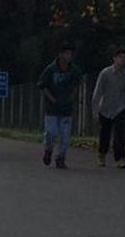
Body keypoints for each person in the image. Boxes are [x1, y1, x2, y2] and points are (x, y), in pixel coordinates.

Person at [38, 41, 82, 169]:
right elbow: (43, 85)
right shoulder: (51, 69)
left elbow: (77, 84)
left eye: (71, 54)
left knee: (65, 136)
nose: (69, 56)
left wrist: (72, 97)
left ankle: (60, 157)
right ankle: (48, 149)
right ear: (60, 54)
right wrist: (51, 98)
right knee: (51, 132)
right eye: (66, 53)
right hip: (52, 108)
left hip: (66, 108)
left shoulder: (74, 69)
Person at [91, 48, 125, 169]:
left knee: (119, 134)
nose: (122, 60)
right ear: (114, 59)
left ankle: (120, 158)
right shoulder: (105, 73)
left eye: (124, 58)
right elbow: (98, 92)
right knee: (105, 134)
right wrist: (95, 109)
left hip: (119, 107)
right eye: (120, 57)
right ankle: (101, 154)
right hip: (106, 107)